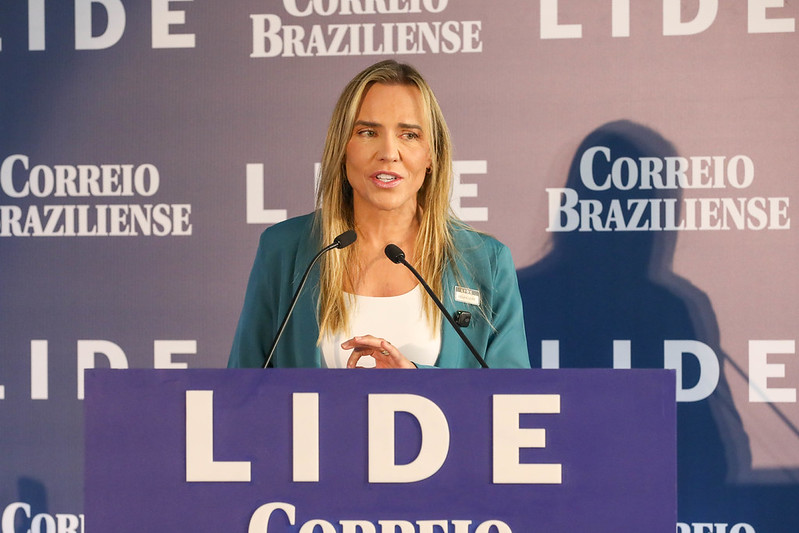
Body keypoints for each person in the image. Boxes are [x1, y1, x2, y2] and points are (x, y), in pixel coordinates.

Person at [228, 60, 529, 369]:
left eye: (409, 135)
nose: (388, 152)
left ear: (431, 155)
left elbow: (512, 393)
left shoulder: (485, 261)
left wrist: (416, 380)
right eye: (368, 132)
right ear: (342, 148)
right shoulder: (283, 249)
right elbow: (241, 386)